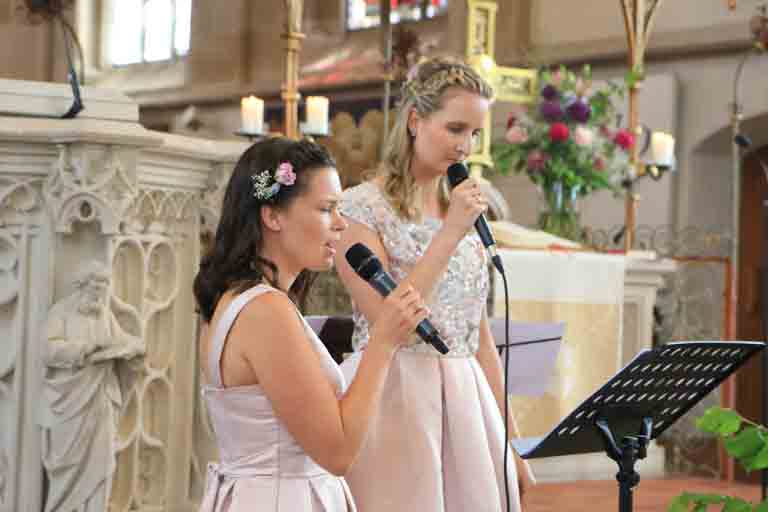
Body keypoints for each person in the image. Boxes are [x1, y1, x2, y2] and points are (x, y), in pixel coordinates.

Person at [334, 57, 536, 511]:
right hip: (396, 396)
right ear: (415, 121)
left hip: (467, 401)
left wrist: (512, 442)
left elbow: (479, 338)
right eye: (455, 129)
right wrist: (450, 233)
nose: (465, 146)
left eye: (475, 134)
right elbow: (389, 322)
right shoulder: (359, 209)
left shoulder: (462, 211)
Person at [193, 137, 428, 512]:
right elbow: (338, 452)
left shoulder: (239, 299)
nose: (341, 224)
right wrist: (382, 342)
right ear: (273, 216)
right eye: (326, 209)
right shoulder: (265, 311)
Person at [40, 260, 145, 512]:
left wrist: (134, 348)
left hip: (101, 398)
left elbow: (123, 341)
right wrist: (85, 349)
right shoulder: (61, 312)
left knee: (102, 461)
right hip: (69, 401)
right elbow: (48, 350)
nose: (100, 291)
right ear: (82, 285)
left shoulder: (104, 315)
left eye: (104, 285)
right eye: (96, 285)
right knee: (71, 465)